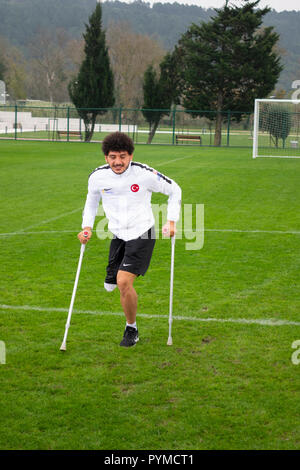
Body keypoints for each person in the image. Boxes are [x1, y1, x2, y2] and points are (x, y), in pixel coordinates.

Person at [77, 132, 181, 347]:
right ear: (106, 157)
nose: (118, 162)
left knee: (123, 282)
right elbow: (91, 202)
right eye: (113, 156)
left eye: (123, 156)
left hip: (143, 232)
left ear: (131, 155)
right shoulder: (97, 177)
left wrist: (171, 221)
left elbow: (174, 189)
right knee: (111, 285)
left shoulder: (144, 174)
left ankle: (131, 329)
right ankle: (113, 277)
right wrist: (86, 227)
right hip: (118, 234)